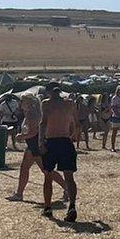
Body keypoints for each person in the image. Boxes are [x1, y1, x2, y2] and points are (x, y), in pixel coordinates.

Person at [6, 95, 67, 203]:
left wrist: (21, 137)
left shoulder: (31, 114)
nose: (20, 103)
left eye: (22, 101)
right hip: (32, 145)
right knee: (25, 168)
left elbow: (33, 133)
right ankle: (19, 193)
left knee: (46, 170)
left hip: (35, 145)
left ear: (28, 103)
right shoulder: (30, 113)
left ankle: (67, 188)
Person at [39, 84, 79, 221]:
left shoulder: (46, 104)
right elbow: (76, 123)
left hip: (52, 142)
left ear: (49, 92)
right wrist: (73, 135)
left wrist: (40, 142)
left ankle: (48, 207)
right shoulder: (69, 104)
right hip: (65, 141)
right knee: (69, 177)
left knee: (48, 176)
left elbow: (43, 123)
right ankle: (72, 205)